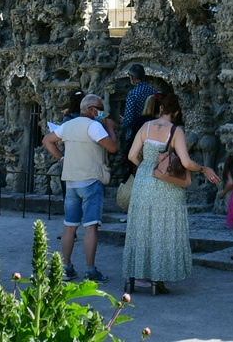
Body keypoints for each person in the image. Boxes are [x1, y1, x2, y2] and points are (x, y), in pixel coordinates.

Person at [122, 95, 218, 294]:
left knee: (141, 228)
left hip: (142, 183)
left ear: (159, 109)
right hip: (164, 186)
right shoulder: (176, 131)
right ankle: (158, 280)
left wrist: (147, 168)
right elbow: (186, 163)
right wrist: (204, 169)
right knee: (162, 230)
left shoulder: (145, 127)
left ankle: (137, 277)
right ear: (175, 113)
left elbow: (131, 156)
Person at [41, 92, 118, 284]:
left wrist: (62, 158)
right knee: (91, 227)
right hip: (90, 180)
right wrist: (110, 129)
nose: (101, 112)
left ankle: (66, 268)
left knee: (69, 226)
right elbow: (113, 148)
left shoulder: (68, 125)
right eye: (100, 109)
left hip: (71, 181)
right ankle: (90, 270)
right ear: (91, 110)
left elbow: (47, 140)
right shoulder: (94, 126)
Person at [121, 64, 155, 149]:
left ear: (132, 77)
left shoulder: (133, 94)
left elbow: (128, 120)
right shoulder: (153, 91)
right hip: (151, 132)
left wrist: (123, 121)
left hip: (135, 134)